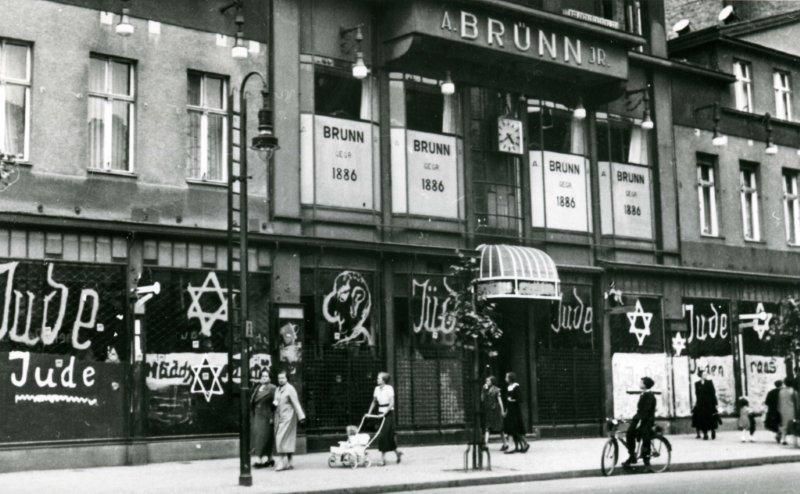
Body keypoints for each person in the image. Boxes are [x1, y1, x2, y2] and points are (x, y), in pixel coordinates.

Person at [273, 370, 306, 471]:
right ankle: (290, 461)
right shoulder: (278, 389)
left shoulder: (290, 389)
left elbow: (296, 403)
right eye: (279, 378)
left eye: (283, 378)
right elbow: (275, 402)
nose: (281, 380)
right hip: (279, 417)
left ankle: (282, 462)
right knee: (286, 440)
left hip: (288, 417)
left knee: (280, 438)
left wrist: (301, 417)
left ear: (287, 378)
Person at [368, 372, 403, 466]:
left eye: (379, 378)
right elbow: (374, 402)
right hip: (380, 413)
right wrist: (369, 412)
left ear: (384, 380)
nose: (377, 379)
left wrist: (385, 413)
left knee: (383, 436)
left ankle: (383, 459)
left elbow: (392, 403)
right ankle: (397, 453)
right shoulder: (376, 389)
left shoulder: (389, 388)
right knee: (388, 436)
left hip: (388, 414)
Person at [622, 376, 657, 467]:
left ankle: (647, 462)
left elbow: (646, 410)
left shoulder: (649, 396)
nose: (639, 383)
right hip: (639, 418)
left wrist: (640, 422)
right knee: (629, 434)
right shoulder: (643, 394)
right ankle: (632, 455)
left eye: (641, 382)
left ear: (645, 385)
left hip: (646, 420)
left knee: (645, 438)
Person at [250, 372, 276, 468]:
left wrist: (272, 416)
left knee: (264, 437)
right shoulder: (257, 387)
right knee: (258, 437)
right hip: (257, 415)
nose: (264, 378)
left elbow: (276, 403)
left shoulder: (272, 388)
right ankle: (265, 458)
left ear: (269, 378)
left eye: (266, 376)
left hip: (266, 415)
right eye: (262, 376)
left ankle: (264, 458)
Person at [503, 372, 529, 454]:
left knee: (514, 428)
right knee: (512, 429)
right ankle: (520, 445)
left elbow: (520, 399)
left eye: (506, 377)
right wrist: (506, 410)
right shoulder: (509, 387)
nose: (505, 378)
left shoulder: (516, 387)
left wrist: (512, 400)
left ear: (510, 378)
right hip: (510, 410)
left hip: (515, 410)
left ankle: (516, 446)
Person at [480, 376, 507, 451]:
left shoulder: (497, 390)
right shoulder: (485, 389)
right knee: (487, 427)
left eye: (488, 381)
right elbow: (482, 399)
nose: (486, 382)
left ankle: (505, 444)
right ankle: (486, 444)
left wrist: (502, 411)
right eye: (486, 381)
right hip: (489, 410)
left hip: (496, 410)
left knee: (500, 428)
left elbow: (500, 401)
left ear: (492, 382)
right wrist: (483, 390)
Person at [692, 369, 719, 440]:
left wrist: (715, 403)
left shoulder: (709, 382)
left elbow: (713, 393)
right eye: (704, 374)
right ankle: (705, 434)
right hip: (701, 405)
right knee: (703, 419)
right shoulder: (697, 384)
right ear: (700, 375)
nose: (705, 375)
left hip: (710, 404)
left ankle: (713, 430)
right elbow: (697, 394)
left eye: (706, 374)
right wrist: (697, 404)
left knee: (711, 418)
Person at [778, 377, 799, 445]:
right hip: (792, 410)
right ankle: (794, 441)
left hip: (783, 409)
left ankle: (783, 439)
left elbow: (779, 401)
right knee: (793, 425)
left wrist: (779, 409)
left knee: (784, 425)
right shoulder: (793, 391)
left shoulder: (781, 391)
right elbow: (797, 402)